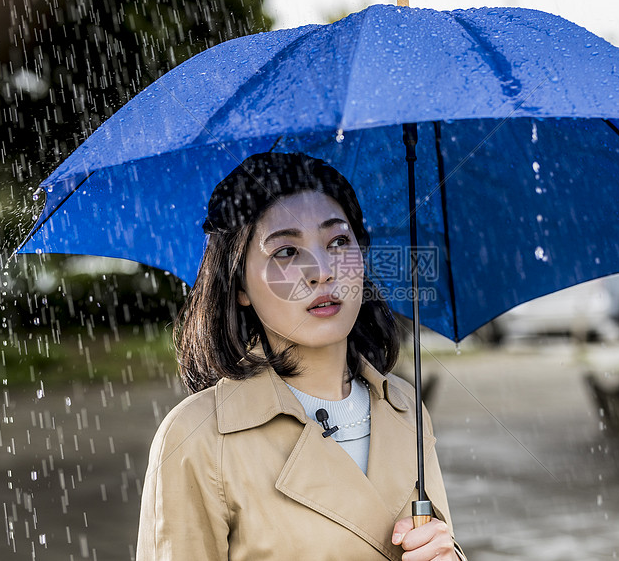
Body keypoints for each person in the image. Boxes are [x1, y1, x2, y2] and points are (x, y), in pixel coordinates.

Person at [136, 152, 464, 560]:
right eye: (286, 252)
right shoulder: (196, 437)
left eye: (339, 242)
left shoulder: (405, 408)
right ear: (239, 286)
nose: (322, 271)